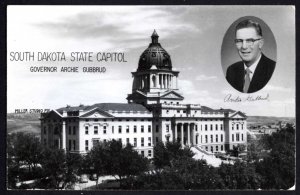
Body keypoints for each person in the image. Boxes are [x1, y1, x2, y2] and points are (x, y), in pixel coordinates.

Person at [226, 19, 276, 93]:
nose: (244, 46)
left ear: (261, 43)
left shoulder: (273, 69)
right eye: (239, 41)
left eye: (250, 40)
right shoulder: (232, 71)